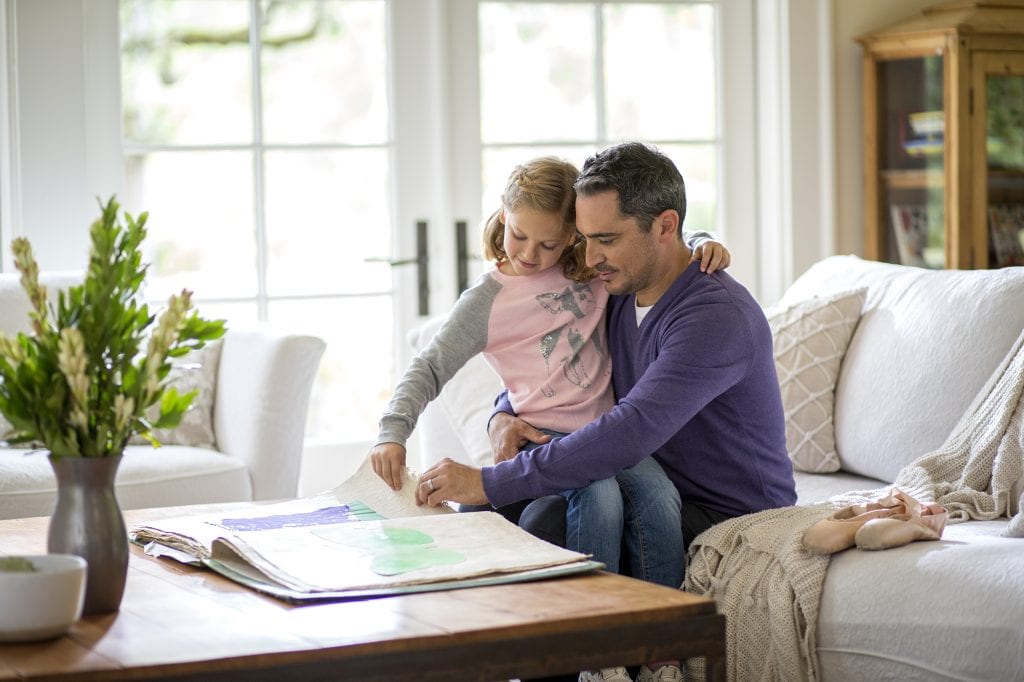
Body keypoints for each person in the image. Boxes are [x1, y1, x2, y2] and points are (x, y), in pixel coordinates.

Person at [414, 142, 797, 682]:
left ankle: (602, 666)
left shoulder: (715, 317)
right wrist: (503, 413)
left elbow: (629, 430)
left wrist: (490, 481)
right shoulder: (620, 286)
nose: (589, 258)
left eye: (606, 240)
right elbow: (565, 364)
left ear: (666, 227)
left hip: (721, 512)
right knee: (502, 522)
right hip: (644, 480)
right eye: (585, 239)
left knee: (542, 517)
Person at [368, 155, 729, 585]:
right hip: (543, 437)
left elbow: (654, 247)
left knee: (659, 496)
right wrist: (392, 432)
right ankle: (592, 632)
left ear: (572, 237)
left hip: (605, 433)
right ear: (504, 215)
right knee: (599, 496)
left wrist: (703, 240)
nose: (530, 255)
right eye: (518, 235)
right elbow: (429, 366)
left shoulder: (591, 270)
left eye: (549, 244)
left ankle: (663, 632)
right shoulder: (486, 300)